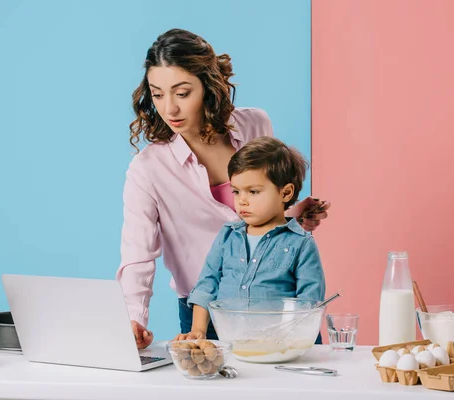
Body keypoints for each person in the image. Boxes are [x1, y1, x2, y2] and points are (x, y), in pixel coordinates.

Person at [116, 28, 330, 349]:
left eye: (182, 93)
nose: (169, 108)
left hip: (278, 301)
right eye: (158, 94)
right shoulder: (148, 169)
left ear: (208, 86)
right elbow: (138, 256)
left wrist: (293, 215)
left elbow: (261, 209)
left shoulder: (256, 125)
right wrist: (134, 319)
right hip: (206, 314)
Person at [174, 137, 325, 342]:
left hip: (283, 347)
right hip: (232, 344)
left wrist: (290, 340)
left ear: (286, 192)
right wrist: (198, 331)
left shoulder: (301, 244)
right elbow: (206, 286)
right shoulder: (228, 236)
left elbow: (309, 304)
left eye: (253, 192)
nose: (242, 200)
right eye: (236, 191)